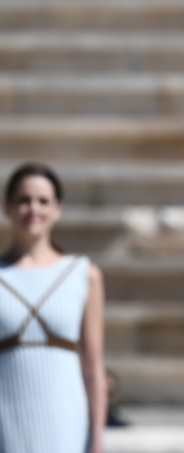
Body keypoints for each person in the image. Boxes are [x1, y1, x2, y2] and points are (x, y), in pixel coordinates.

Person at [0, 163, 106, 453]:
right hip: (7, 415)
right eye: (23, 200)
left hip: (66, 415)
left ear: (58, 208)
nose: (33, 209)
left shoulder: (84, 273)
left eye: (43, 201)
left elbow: (93, 367)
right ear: (7, 207)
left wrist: (97, 438)